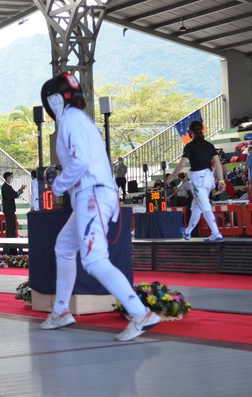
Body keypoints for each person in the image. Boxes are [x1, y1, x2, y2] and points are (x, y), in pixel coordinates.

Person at [39, 72, 161, 341]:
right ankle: (60, 311)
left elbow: (80, 162)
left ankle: (140, 313)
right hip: (91, 195)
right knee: (64, 247)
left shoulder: (71, 121)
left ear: (55, 100)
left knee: (94, 260)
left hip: (91, 195)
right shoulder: (78, 120)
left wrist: (58, 185)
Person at [168, 120, 225, 242]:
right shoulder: (209, 145)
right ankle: (188, 232)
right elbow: (218, 164)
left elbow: (182, 164)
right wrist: (221, 181)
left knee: (205, 206)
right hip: (209, 180)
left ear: (191, 132)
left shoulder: (190, 146)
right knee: (196, 207)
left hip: (198, 180)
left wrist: (171, 177)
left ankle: (216, 233)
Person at [1, 171, 26, 243]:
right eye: (11, 177)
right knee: (10, 226)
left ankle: (13, 240)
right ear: (7, 177)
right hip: (8, 209)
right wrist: (18, 192)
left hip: (11, 209)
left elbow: (14, 194)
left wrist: (20, 190)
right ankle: (9, 241)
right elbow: (10, 196)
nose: (12, 178)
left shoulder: (9, 186)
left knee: (13, 226)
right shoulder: (4, 187)